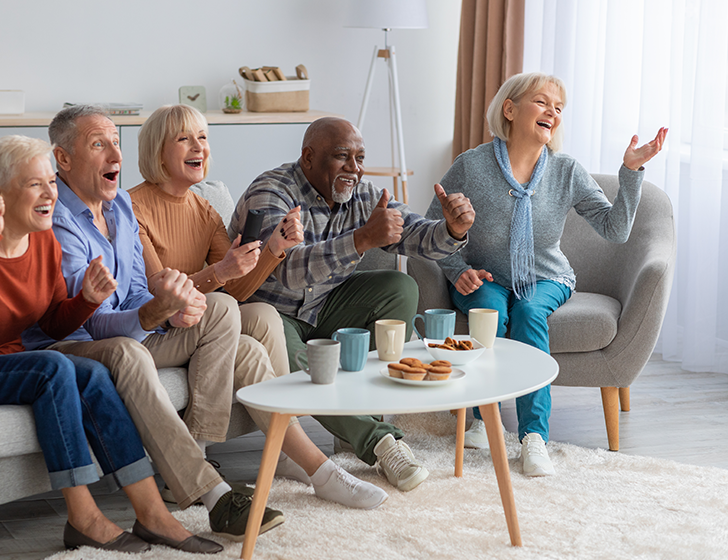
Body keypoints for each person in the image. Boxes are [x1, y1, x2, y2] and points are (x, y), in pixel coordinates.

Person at [0, 135, 222, 554]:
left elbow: (53, 323)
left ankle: (153, 514)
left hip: (8, 361)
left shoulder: (42, 240)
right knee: (52, 368)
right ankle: (84, 517)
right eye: (35, 184)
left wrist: (86, 301)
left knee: (92, 372)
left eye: (51, 183)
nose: (50, 194)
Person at [21, 105, 285, 543]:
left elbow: (139, 289)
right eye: (98, 144)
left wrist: (172, 309)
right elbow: (93, 321)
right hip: (72, 342)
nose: (114, 156)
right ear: (62, 159)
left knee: (219, 308)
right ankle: (212, 493)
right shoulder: (59, 224)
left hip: (133, 331)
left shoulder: (120, 204)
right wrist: (153, 313)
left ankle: (198, 448)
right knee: (127, 349)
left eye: (115, 143)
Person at [129, 104, 388, 509]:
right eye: (184, 139)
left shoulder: (204, 209)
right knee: (225, 311)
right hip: (156, 327)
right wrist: (219, 271)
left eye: (203, 137)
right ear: (158, 152)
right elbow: (158, 297)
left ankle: (297, 458)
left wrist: (273, 249)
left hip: (204, 318)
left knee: (263, 317)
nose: (199, 147)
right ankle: (196, 455)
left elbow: (240, 290)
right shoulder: (132, 209)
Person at [425, 72, 667, 477]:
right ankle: (484, 420)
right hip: (486, 277)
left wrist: (631, 172)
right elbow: (432, 229)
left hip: (546, 278)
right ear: (510, 109)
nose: (552, 112)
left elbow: (615, 229)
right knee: (489, 315)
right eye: (542, 102)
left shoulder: (566, 170)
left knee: (529, 314)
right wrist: (456, 269)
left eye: (558, 108)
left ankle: (533, 437)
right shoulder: (472, 166)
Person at [228, 117, 475, 492]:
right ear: (308, 157)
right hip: (271, 315)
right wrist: (360, 240)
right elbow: (288, 270)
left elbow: (418, 235)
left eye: (360, 158)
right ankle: (381, 442)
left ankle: (356, 423)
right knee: (307, 367)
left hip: (326, 308)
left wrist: (452, 229)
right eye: (342, 157)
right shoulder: (272, 192)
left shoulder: (361, 194)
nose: (354, 169)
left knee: (400, 287)